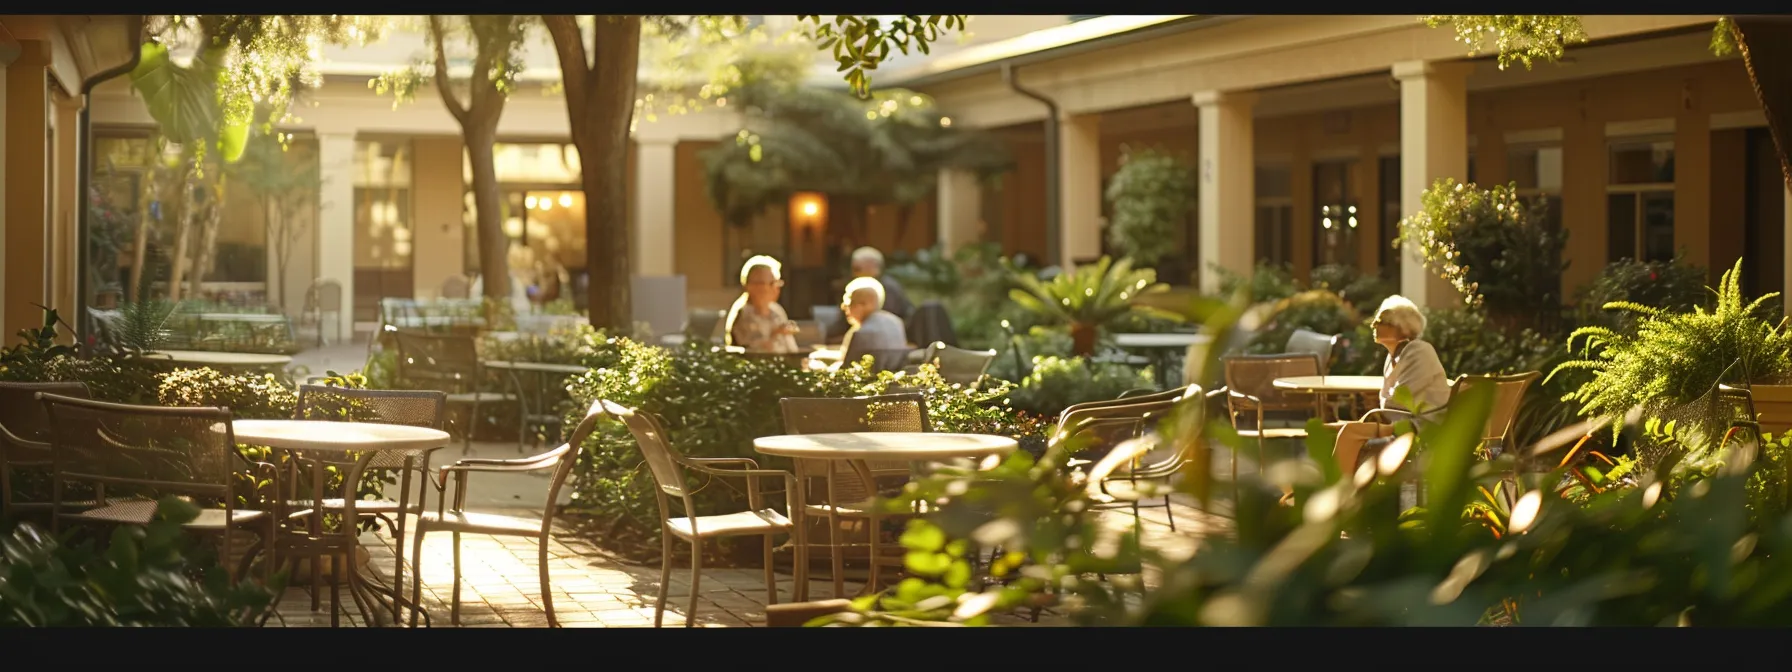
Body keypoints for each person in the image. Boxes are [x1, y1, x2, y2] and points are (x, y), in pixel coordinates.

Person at [1328, 295, 1453, 476]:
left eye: (1383, 320)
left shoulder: (1419, 351)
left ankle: (1339, 494)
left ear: (1403, 327)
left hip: (1422, 428)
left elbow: (1399, 401)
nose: (1374, 324)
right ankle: (1312, 490)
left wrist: (1374, 414)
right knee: (1329, 429)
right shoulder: (1393, 357)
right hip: (1401, 423)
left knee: (1349, 432)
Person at [725, 255, 800, 354]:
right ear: (751, 286)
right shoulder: (743, 314)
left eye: (777, 282)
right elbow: (755, 352)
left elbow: (792, 349)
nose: (777, 288)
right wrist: (776, 333)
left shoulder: (776, 310)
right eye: (772, 283)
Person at [831, 276, 908, 371]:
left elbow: (846, 367)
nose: (844, 308)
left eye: (848, 304)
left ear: (864, 305)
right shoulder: (896, 322)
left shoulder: (862, 332)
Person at [850, 247, 914, 319]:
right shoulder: (859, 286)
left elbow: (886, 316)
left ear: (872, 266)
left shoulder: (888, 288)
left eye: (857, 269)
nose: (854, 274)